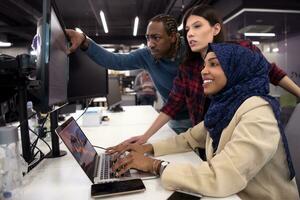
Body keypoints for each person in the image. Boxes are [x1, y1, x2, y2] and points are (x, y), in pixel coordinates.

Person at [110, 43, 299, 199]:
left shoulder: (259, 113)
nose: (203, 71)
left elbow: (221, 177)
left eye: (214, 64)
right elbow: (189, 139)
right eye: (204, 65)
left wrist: (154, 165)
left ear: (237, 69)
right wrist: (147, 148)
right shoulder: (226, 106)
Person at [107, 5, 300, 148]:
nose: (190, 34)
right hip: (208, 139)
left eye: (197, 26)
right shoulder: (188, 69)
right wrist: (144, 138)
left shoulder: (241, 51)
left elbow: (273, 73)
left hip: (245, 135)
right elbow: (172, 106)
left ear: (215, 29)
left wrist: (299, 94)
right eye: (188, 30)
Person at [66, 15, 192, 134]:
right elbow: (116, 61)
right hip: (175, 119)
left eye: (156, 37)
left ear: (173, 37)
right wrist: (84, 40)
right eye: (148, 38)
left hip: (201, 117)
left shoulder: (192, 50)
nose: (151, 44)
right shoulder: (147, 55)